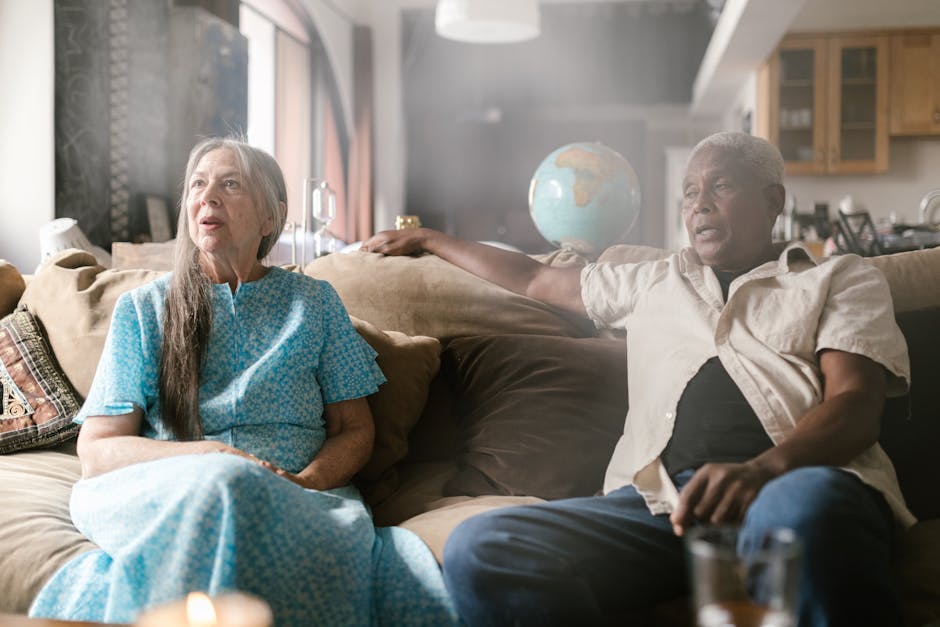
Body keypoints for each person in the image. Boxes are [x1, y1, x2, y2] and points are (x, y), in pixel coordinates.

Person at [360, 131, 913, 627]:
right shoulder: (654, 281)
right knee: (485, 545)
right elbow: (533, 277)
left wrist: (763, 471)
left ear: (773, 200)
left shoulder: (839, 278)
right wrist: (432, 239)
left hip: (798, 484)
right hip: (665, 507)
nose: (699, 205)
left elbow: (856, 401)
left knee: (797, 509)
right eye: (690, 192)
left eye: (720, 187)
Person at [28, 137, 458, 626]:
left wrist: (304, 482)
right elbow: (99, 450)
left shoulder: (313, 304)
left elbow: (354, 430)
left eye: (229, 184)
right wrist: (212, 458)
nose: (206, 197)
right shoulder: (143, 309)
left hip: (298, 494)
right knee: (224, 484)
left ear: (270, 218)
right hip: (170, 488)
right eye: (197, 184)